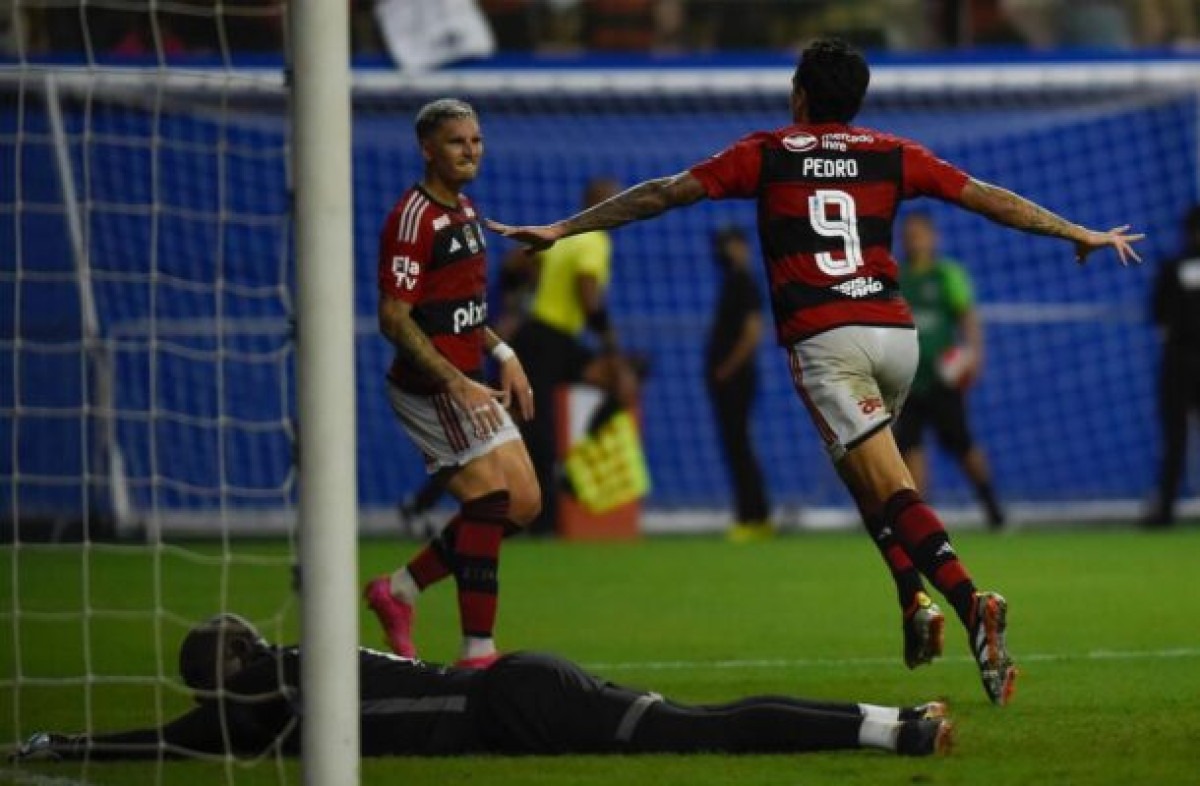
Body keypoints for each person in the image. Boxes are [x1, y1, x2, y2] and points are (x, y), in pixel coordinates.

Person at [488, 38, 1143, 704]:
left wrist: (563, 228)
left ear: (800, 94)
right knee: (864, 473)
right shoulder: (893, 153)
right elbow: (985, 197)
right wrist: (1076, 232)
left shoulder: (766, 153)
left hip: (827, 341)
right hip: (895, 336)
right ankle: (912, 600)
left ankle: (971, 603)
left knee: (886, 483)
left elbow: (664, 193)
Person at [10, 614, 953, 761]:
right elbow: (183, 735)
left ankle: (895, 729)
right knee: (692, 727)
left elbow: (176, 739)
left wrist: (70, 747)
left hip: (513, 704)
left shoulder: (267, 699)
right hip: (516, 689)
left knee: (697, 733)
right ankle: (893, 722)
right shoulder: (289, 673)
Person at [365, 98, 541, 670]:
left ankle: (401, 589)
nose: (470, 151)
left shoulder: (465, 211)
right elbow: (395, 317)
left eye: (476, 141)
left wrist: (504, 352)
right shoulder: (411, 218)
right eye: (456, 142)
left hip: (467, 379)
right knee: (489, 498)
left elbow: (463, 310)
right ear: (426, 149)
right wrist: (453, 380)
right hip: (429, 386)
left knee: (526, 503)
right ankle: (477, 654)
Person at [509, 177, 639, 536]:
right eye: (614, 202)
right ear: (596, 205)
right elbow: (588, 294)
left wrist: (514, 301)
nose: (620, 209)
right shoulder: (594, 239)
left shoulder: (562, 234)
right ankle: (542, 519)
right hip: (545, 339)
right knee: (538, 429)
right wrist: (611, 345)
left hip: (550, 339)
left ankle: (567, 473)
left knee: (623, 380)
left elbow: (517, 264)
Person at [893, 212, 1006, 530]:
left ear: (933, 238)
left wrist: (974, 355)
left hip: (944, 379)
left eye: (919, 234)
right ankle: (919, 521)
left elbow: (967, 316)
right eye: (908, 234)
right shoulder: (896, 277)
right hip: (908, 381)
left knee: (963, 445)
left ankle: (993, 509)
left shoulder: (947, 274)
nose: (913, 240)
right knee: (910, 447)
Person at [706, 226, 774, 543]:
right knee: (736, 447)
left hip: (736, 379)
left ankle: (754, 516)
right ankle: (750, 514)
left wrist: (727, 368)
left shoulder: (744, 282)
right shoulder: (733, 281)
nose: (720, 250)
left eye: (726, 244)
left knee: (740, 446)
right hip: (728, 379)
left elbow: (752, 330)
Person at [1146, 204, 1200, 527]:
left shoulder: (1172, 267)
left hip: (1179, 358)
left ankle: (1164, 511)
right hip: (1179, 360)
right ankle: (1165, 510)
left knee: (1175, 438)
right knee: (1175, 438)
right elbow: (1158, 314)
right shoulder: (1171, 267)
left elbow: (1159, 315)